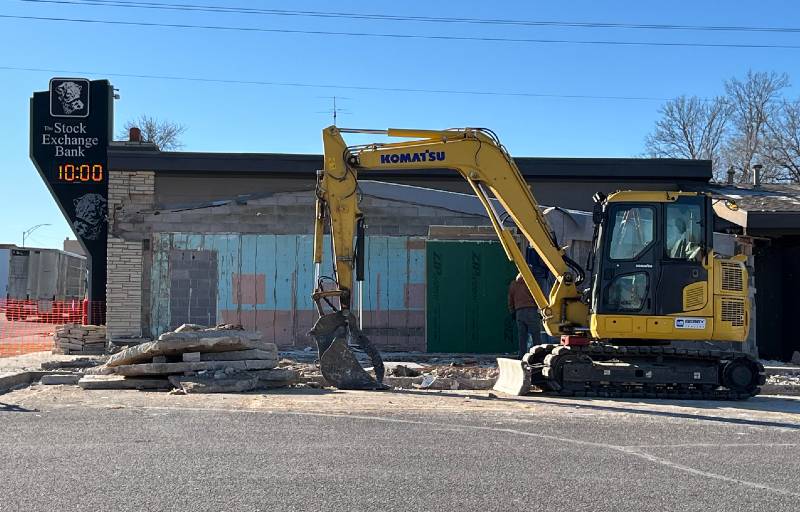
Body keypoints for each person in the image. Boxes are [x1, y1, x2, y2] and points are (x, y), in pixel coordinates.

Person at [508, 273, 542, 358]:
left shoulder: (513, 284)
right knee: (536, 335)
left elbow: (510, 299)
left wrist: (512, 311)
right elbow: (538, 297)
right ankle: (538, 355)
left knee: (522, 336)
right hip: (532, 310)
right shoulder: (531, 283)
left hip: (519, 312)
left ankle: (522, 355)